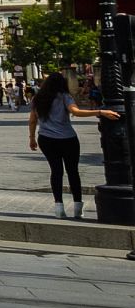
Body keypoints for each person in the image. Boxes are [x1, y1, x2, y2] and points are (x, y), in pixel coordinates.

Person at [28, 72, 118, 219]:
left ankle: (59, 207)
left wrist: (32, 138)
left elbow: (32, 120)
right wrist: (100, 112)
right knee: (73, 172)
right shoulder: (64, 96)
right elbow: (75, 111)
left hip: (46, 138)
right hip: (67, 138)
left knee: (56, 171)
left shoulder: (37, 99)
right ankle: (77, 207)